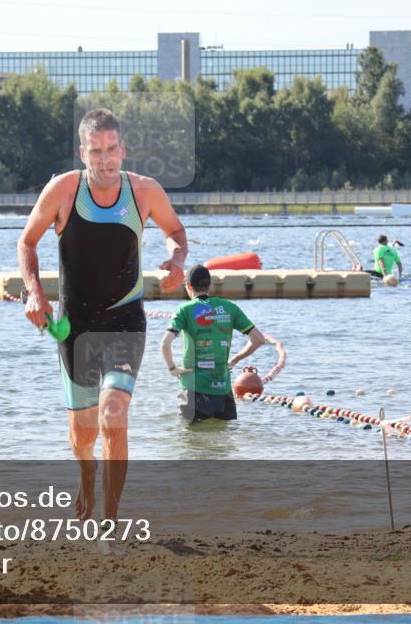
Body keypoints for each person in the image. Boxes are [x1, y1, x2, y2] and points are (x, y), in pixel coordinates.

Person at [18, 108, 187, 535]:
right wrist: (35, 290)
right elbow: (27, 241)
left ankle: (109, 524)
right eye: (96, 151)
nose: (106, 159)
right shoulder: (63, 190)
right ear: (83, 153)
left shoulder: (145, 192)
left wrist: (178, 259)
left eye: (112, 149)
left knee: (114, 413)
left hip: (125, 321)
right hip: (74, 327)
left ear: (123, 149)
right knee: (83, 436)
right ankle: (85, 475)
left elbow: (176, 232)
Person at [161, 264, 266, 423]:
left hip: (192, 389)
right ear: (209, 285)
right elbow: (258, 339)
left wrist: (172, 369)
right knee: (223, 441)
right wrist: (235, 359)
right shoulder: (229, 307)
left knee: (190, 444)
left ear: (188, 286)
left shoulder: (185, 309)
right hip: (222, 391)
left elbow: (165, 344)